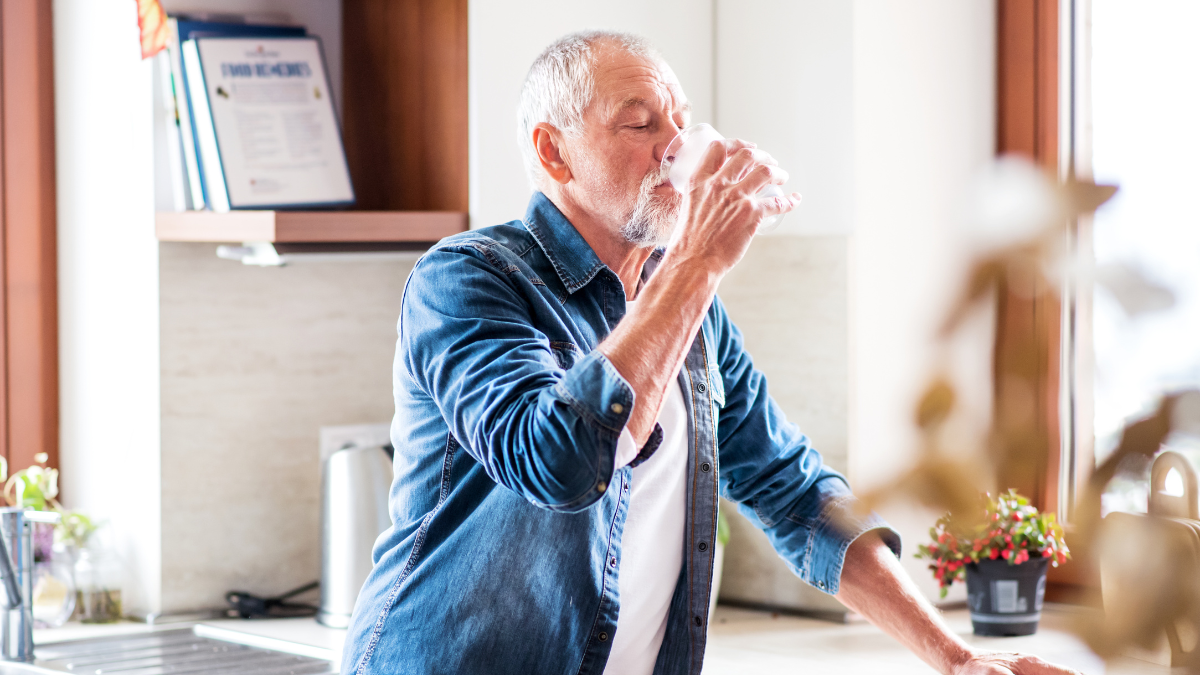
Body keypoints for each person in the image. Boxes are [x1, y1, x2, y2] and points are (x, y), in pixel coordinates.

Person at [341, 30, 1082, 675]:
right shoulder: (469, 278)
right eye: (639, 122)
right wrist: (699, 260)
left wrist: (955, 655)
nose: (674, 145)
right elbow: (558, 462)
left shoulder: (688, 304)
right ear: (553, 152)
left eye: (681, 122)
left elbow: (795, 493)